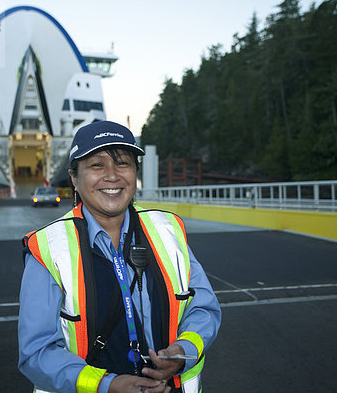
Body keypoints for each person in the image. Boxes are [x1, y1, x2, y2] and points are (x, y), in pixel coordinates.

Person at [18, 121, 221, 393]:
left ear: (135, 174)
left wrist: (183, 351)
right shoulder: (47, 249)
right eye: (97, 165)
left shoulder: (168, 230)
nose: (112, 176)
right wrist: (106, 385)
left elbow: (204, 308)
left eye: (123, 163)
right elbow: (36, 352)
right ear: (75, 179)